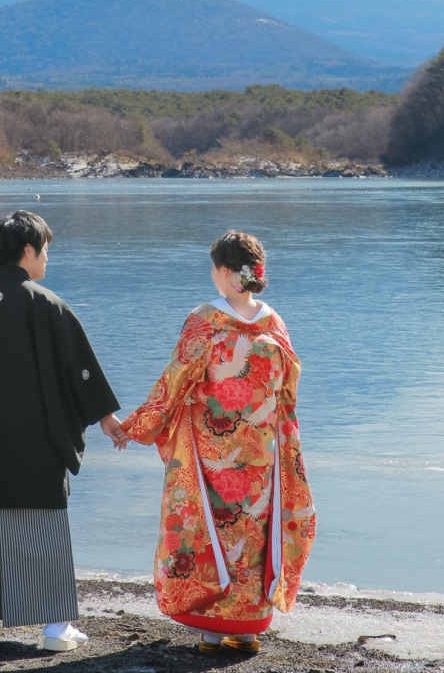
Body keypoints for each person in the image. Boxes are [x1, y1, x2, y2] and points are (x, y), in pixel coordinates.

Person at [0, 209, 126, 652]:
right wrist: (107, 416)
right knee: (41, 528)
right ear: (28, 251)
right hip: (35, 440)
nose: (47, 260)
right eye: (46, 250)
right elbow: (80, 371)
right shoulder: (45, 303)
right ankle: (54, 628)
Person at [120, 230, 315, 656]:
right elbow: (287, 391)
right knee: (254, 530)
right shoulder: (274, 324)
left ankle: (211, 627)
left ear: (227, 273)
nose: (212, 275)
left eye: (214, 268)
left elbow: (174, 382)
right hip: (261, 452)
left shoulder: (205, 320)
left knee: (214, 527)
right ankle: (248, 627)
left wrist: (137, 426)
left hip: (215, 449)